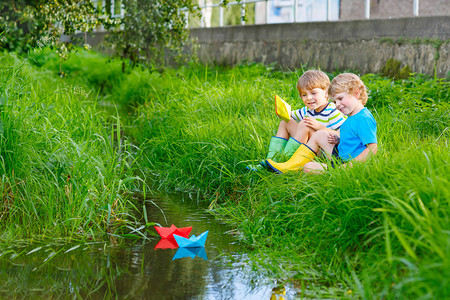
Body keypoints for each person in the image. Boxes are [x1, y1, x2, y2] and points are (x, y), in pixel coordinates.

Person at [266, 73, 377, 173]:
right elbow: (352, 141)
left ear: (356, 93)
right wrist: (338, 140)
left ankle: (291, 165)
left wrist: (348, 166)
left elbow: (372, 147)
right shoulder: (351, 117)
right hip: (340, 155)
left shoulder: (363, 118)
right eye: (334, 101)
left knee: (308, 167)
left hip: (346, 165)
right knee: (319, 135)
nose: (337, 104)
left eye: (340, 98)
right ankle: (289, 164)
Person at [248, 70, 346, 170]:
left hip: (323, 151)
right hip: (307, 147)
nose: (309, 98)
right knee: (286, 122)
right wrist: (283, 112)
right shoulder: (306, 110)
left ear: (326, 93)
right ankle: (272, 160)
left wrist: (321, 128)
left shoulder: (333, 111)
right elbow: (289, 115)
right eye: (304, 95)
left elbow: (344, 135)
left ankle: (286, 162)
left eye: (313, 93)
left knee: (305, 124)